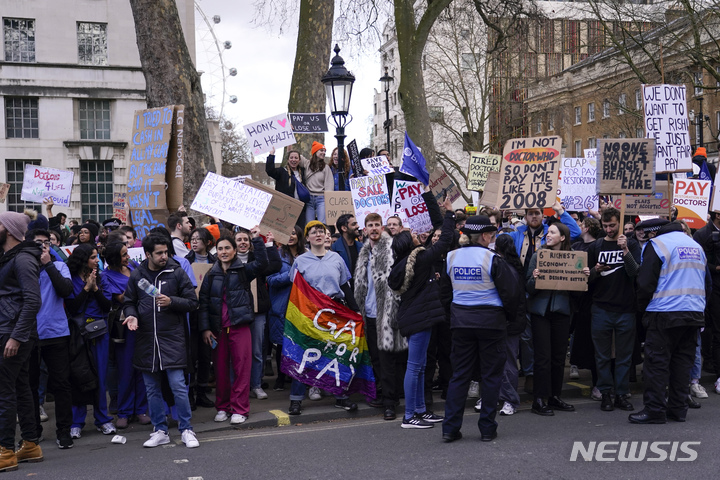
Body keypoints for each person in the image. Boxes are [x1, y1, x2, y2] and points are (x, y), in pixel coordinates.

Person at [442, 215, 524, 443]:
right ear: (486, 235)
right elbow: (512, 293)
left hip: (461, 323)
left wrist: (455, 315)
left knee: (459, 376)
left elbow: (444, 294)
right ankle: (487, 428)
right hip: (491, 323)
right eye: (492, 234)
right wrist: (505, 318)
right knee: (490, 376)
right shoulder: (492, 259)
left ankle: (450, 428)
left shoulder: (451, 257)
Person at [122, 234, 200, 448]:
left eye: (166, 252)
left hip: (173, 340)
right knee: (152, 390)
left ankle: (186, 429)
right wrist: (132, 315)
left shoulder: (176, 272)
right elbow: (129, 302)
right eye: (159, 253)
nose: (164, 256)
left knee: (178, 386)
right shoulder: (137, 275)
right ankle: (160, 430)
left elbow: (193, 302)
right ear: (148, 254)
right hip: (147, 341)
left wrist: (171, 301)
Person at [629, 219, 710, 424]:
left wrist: (642, 309)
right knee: (682, 363)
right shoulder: (696, 246)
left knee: (657, 364)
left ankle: (655, 409)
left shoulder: (657, 245)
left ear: (653, 233)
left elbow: (645, 283)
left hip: (664, 312)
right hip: (693, 313)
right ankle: (678, 409)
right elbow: (706, 283)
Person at [388, 193, 455, 428]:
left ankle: (419, 410)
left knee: (420, 366)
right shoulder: (420, 260)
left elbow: (436, 230)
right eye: (413, 236)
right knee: (415, 367)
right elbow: (445, 240)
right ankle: (409, 417)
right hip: (419, 319)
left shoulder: (408, 261)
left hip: (417, 317)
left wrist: (430, 200)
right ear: (410, 245)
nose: (418, 235)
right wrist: (451, 215)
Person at [502, 201, 581, 394]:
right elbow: (500, 239)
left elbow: (575, 232)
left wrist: (560, 211)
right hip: (527, 292)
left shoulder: (549, 231)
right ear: (525, 216)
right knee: (530, 341)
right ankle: (532, 377)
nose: (534, 216)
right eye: (530, 213)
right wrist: (500, 216)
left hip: (555, 302)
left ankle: (548, 390)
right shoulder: (517, 233)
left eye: (537, 213)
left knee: (554, 352)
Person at [287, 221, 359, 415]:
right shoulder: (300, 261)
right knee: (304, 356)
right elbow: (296, 292)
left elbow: (345, 287)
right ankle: (296, 400)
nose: (318, 234)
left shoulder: (336, 258)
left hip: (335, 314)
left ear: (326, 236)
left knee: (337, 356)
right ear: (308, 238)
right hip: (310, 315)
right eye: (313, 232)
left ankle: (341, 397)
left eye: (321, 231)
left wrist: (355, 310)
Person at [199, 229, 268, 425]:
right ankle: (222, 407)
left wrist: (257, 239)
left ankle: (240, 409)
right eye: (220, 248)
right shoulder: (211, 274)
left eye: (227, 248)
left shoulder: (243, 271)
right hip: (217, 330)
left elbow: (263, 263)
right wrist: (206, 329)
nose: (223, 251)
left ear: (234, 250)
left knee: (241, 369)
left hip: (240, 326)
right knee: (220, 370)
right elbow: (203, 303)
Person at [527, 223, 589, 416]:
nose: (548, 234)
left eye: (552, 232)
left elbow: (579, 293)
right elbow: (527, 287)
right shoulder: (538, 256)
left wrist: (584, 276)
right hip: (541, 313)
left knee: (558, 358)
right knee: (543, 358)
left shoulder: (574, 258)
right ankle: (539, 399)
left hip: (562, 313)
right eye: (548, 232)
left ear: (563, 237)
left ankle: (554, 396)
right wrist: (535, 278)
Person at [0, 212, 42, 471]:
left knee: (4, 391)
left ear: (10, 231)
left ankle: (4, 451)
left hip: (12, 333)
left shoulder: (23, 259)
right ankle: (30, 444)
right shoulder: (11, 258)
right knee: (21, 387)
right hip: (11, 330)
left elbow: (33, 300)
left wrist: (16, 335)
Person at [25, 229, 75, 450]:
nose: (43, 246)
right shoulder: (23, 266)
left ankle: (64, 431)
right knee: (30, 386)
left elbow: (65, 290)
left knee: (62, 384)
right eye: (38, 243)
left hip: (55, 333)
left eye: (48, 243)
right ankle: (32, 433)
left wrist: (48, 264)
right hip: (28, 334)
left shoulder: (59, 265)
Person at [587, 206, 640, 412]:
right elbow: (586, 278)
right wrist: (596, 271)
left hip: (626, 309)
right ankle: (606, 393)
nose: (609, 229)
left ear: (620, 223)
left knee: (624, 356)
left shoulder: (632, 245)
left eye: (612, 225)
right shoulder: (596, 246)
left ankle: (621, 393)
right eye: (605, 225)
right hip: (601, 309)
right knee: (602, 356)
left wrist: (625, 251)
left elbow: (635, 272)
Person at [355, 213, 407, 420]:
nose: (374, 228)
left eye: (377, 225)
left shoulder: (392, 248)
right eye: (370, 225)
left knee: (387, 360)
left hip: (386, 313)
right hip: (368, 313)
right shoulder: (364, 252)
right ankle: (383, 394)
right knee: (376, 359)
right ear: (365, 229)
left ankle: (390, 402)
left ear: (382, 227)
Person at [65, 243, 115, 438]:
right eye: (93, 257)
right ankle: (77, 422)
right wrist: (86, 288)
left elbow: (107, 306)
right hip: (78, 335)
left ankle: (103, 419)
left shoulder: (102, 279)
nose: (97, 261)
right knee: (79, 376)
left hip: (99, 334)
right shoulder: (70, 279)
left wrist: (95, 288)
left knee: (101, 377)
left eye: (97, 257)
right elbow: (73, 307)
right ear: (83, 259)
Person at [102, 242, 150, 429]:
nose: (128, 257)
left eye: (127, 253)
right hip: (124, 326)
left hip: (143, 322)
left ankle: (141, 409)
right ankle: (124, 411)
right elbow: (121, 298)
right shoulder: (106, 276)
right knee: (126, 370)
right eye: (123, 254)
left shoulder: (134, 267)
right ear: (114, 257)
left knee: (143, 368)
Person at [233, 229, 280, 401]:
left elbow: (275, 266)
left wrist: (268, 244)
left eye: (246, 239)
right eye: (239, 239)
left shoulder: (257, 259)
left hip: (257, 311)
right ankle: (239, 386)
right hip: (236, 312)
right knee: (238, 353)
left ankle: (256, 385)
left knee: (257, 351)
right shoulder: (228, 260)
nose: (243, 242)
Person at [488, 234, 527, 416]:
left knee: (508, 361)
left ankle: (509, 399)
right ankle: (496, 396)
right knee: (501, 361)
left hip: (508, 321)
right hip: (506, 320)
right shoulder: (515, 266)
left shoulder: (505, 268)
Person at [267, 226, 306, 392]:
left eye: (293, 233)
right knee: (282, 344)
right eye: (286, 233)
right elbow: (270, 280)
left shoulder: (307, 255)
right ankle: (281, 378)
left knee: (300, 343)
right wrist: (291, 274)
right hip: (283, 305)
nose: (290, 236)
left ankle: (298, 376)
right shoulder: (276, 255)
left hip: (302, 305)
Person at [569, 217, 603, 400]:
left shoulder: (598, 247)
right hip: (579, 302)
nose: (579, 227)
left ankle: (600, 383)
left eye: (581, 225)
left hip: (593, 300)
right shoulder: (576, 245)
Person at [185, 227, 216, 409]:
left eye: (198, 239)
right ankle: (189, 393)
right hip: (191, 314)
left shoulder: (215, 262)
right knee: (191, 356)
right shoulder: (185, 262)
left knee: (206, 356)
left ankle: (202, 393)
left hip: (208, 313)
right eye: (192, 239)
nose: (195, 242)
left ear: (207, 242)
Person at [693, 211, 720, 394]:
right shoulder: (702, 235)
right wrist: (715, 268)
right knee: (717, 331)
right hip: (713, 289)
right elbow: (698, 262)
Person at [266, 147, 308, 228]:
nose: (293, 160)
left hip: (300, 208)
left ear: (299, 160)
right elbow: (270, 171)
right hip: (285, 208)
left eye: (296, 158)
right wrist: (271, 155)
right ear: (288, 160)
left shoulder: (303, 172)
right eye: (291, 157)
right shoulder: (281, 172)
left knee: (299, 230)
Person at [302, 142, 334, 224]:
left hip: (321, 199)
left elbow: (329, 185)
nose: (323, 153)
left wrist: (329, 200)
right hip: (309, 199)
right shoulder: (307, 164)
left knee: (322, 223)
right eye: (321, 150)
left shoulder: (326, 168)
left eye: (324, 151)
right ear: (315, 152)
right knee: (309, 224)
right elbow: (293, 156)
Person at [331, 214, 362, 282]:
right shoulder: (333, 250)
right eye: (354, 224)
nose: (358, 226)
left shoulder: (363, 247)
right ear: (344, 228)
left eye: (357, 224)